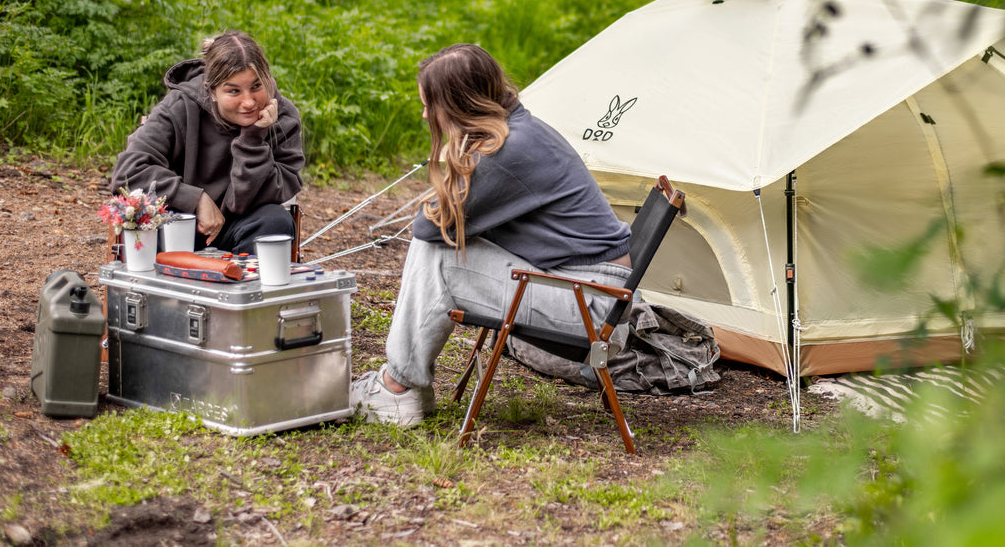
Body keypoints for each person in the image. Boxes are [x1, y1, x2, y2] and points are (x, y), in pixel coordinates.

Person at [350, 43, 632, 426]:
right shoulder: (517, 130)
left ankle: (397, 389)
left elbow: (427, 227)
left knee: (441, 253)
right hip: (592, 293)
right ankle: (404, 387)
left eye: (430, 105)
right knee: (446, 247)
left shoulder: (510, 151)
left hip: (591, 308)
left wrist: (455, 157)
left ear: (457, 104)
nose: (424, 114)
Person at [109, 30, 304, 255]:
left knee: (275, 222)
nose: (249, 102)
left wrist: (253, 139)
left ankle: (243, 286)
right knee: (145, 223)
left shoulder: (283, 117)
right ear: (211, 90)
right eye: (234, 91)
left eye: (257, 86)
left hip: (239, 227)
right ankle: (167, 287)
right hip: (178, 223)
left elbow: (249, 199)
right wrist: (195, 198)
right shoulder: (181, 106)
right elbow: (128, 172)